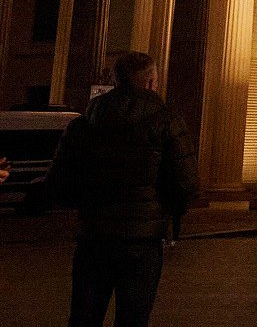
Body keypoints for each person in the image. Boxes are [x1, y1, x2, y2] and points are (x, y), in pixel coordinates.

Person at [46, 50, 199, 327]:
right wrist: (165, 211)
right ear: (152, 82)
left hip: (94, 236)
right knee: (133, 319)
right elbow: (186, 183)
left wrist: (89, 204)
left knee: (84, 318)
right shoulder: (167, 123)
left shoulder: (81, 125)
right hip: (142, 241)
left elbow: (59, 183)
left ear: (115, 81)